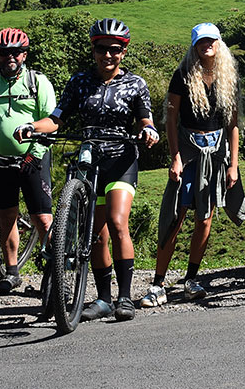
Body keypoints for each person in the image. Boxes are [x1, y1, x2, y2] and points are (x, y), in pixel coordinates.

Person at [23, 18, 159, 322]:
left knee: (117, 221)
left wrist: (149, 131)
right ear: (93, 50)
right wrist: (32, 127)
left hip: (121, 160)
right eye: (101, 49)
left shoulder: (135, 84)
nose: (107, 55)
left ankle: (125, 297)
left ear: (123, 51)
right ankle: (103, 299)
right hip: (89, 161)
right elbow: (56, 119)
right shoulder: (79, 81)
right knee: (96, 235)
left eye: (114, 49)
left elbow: (145, 119)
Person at [150, 24, 241, 305]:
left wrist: (233, 164)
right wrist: (175, 156)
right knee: (175, 217)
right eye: (201, 42)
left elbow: (233, 125)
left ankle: (191, 279)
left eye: (211, 41)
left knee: (205, 219)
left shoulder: (228, 76)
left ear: (218, 43)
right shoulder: (182, 76)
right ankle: (157, 283)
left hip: (216, 154)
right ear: (194, 45)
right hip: (189, 152)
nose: (206, 45)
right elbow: (171, 120)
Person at [0, 28, 57, 295]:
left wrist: (35, 151)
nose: (10, 57)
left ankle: (54, 272)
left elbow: (51, 122)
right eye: (4, 52)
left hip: (33, 157)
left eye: (15, 52)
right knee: (6, 217)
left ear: (24, 54)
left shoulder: (37, 82)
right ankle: (12, 271)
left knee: (42, 219)